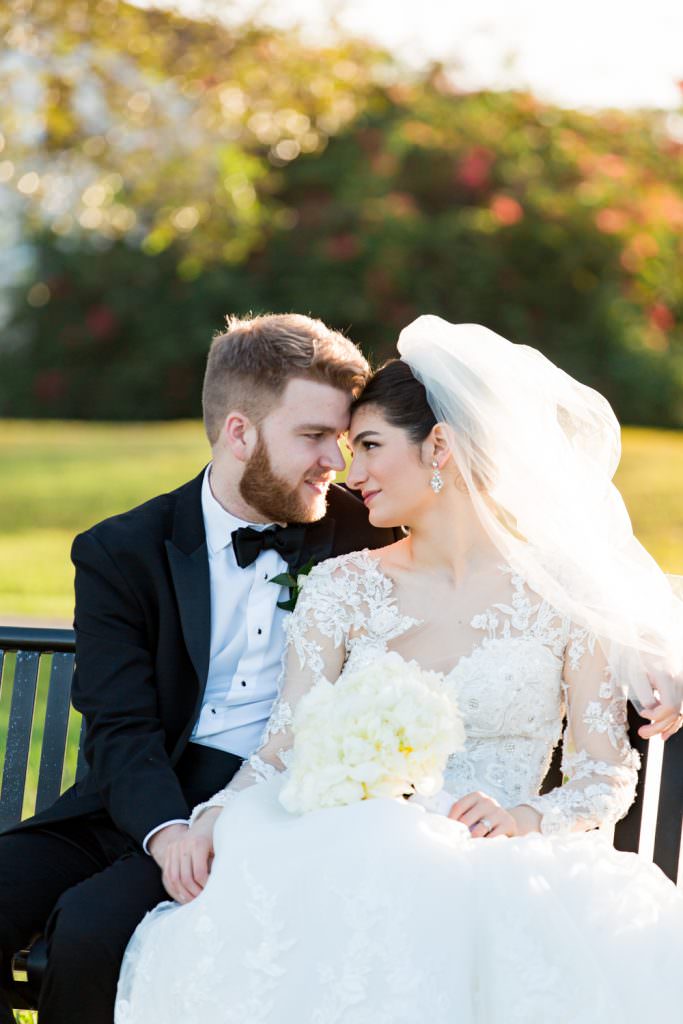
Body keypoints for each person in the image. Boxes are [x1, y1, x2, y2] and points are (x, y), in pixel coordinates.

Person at [115, 316, 683, 1024]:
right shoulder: (340, 587)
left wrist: (525, 816)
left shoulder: (565, 595)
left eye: (371, 448)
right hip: (350, 851)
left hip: (498, 861)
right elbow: (282, 747)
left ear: (439, 445)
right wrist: (212, 815)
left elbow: (602, 776)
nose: (351, 477)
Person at [0, 313, 398, 1024]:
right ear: (238, 431)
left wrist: (650, 654)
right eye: (312, 436)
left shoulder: (368, 531)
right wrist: (165, 830)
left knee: (91, 931)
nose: (335, 462)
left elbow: (514, 574)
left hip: (265, 804)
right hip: (131, 796)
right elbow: (119, 726)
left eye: (340, 438)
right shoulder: (122, 551)